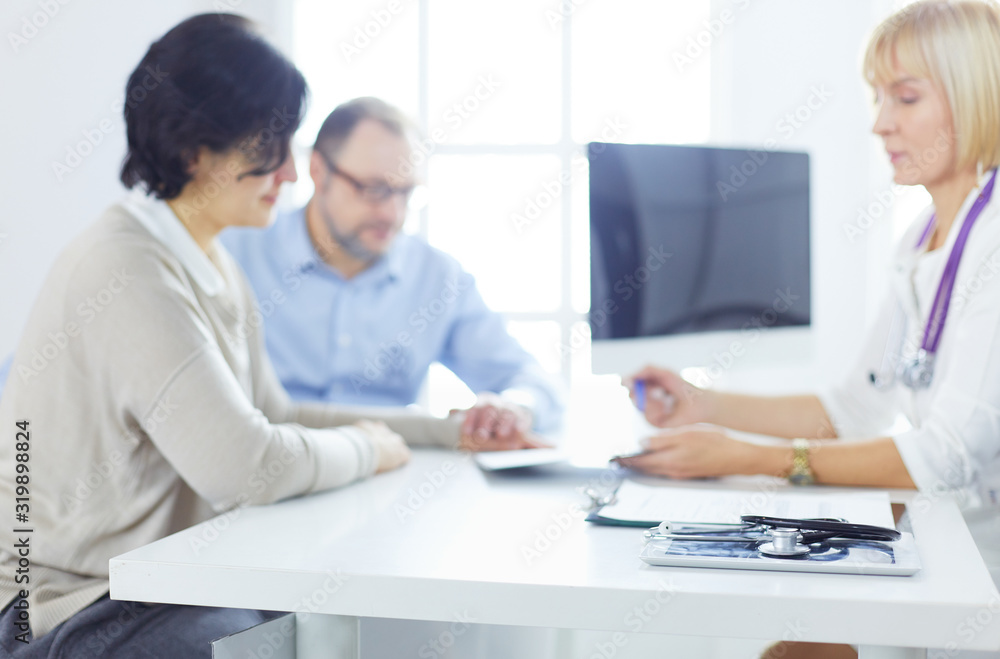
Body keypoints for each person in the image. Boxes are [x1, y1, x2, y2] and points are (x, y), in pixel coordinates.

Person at [0, 14, 491, 657]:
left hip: (155, 586)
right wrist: (370, 450)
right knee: (298, 633)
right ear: (193, 151)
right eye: (269, 150)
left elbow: (276, 414)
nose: (290, 174)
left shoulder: (209, 257)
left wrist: (445, 433)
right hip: (65, 611)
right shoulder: (126, 267)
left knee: (347, 613)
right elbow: (247, 468)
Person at [620, 1, 1000, 657]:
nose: (881, 124)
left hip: (980, 572)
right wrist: (702, 404)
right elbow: (853, 406)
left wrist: (745, 456)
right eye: (878, 98)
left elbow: (946, 457)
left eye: (905, 97)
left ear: (976, 99)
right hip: (937, 545)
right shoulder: (921, 240)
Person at [219, 97, 565, 446]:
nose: (392, 213)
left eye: (405, 192)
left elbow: (533, 382)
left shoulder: (437, 278)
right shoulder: (234, 253)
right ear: (318, 171)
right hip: (268, 471)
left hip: (389, 480)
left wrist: (515, 407)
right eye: (374, 190)